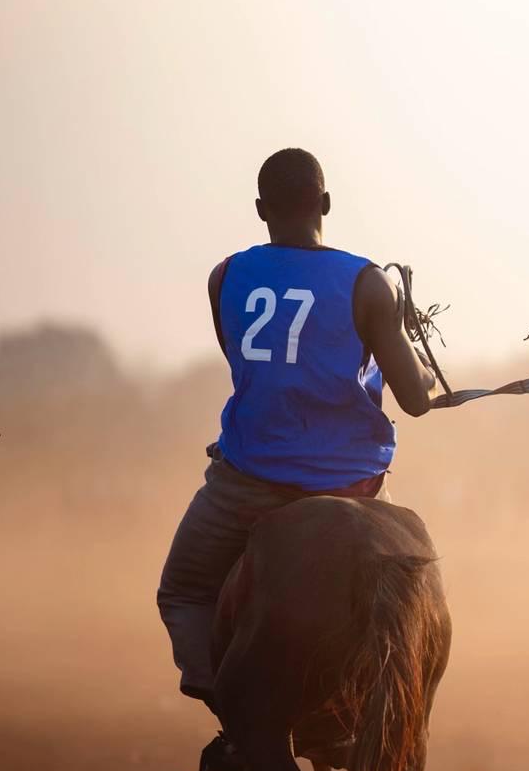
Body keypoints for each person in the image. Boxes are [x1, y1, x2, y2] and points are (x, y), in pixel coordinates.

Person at [156, 148, 438, 719]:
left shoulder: (225, 277)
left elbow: (248, 370)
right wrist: (422, 364)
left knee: (183, 591)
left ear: (261, 210)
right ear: (326, 204)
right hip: (352, 485)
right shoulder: (367, 284)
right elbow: (415, 400)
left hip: (250, 481)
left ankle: (228, 709)